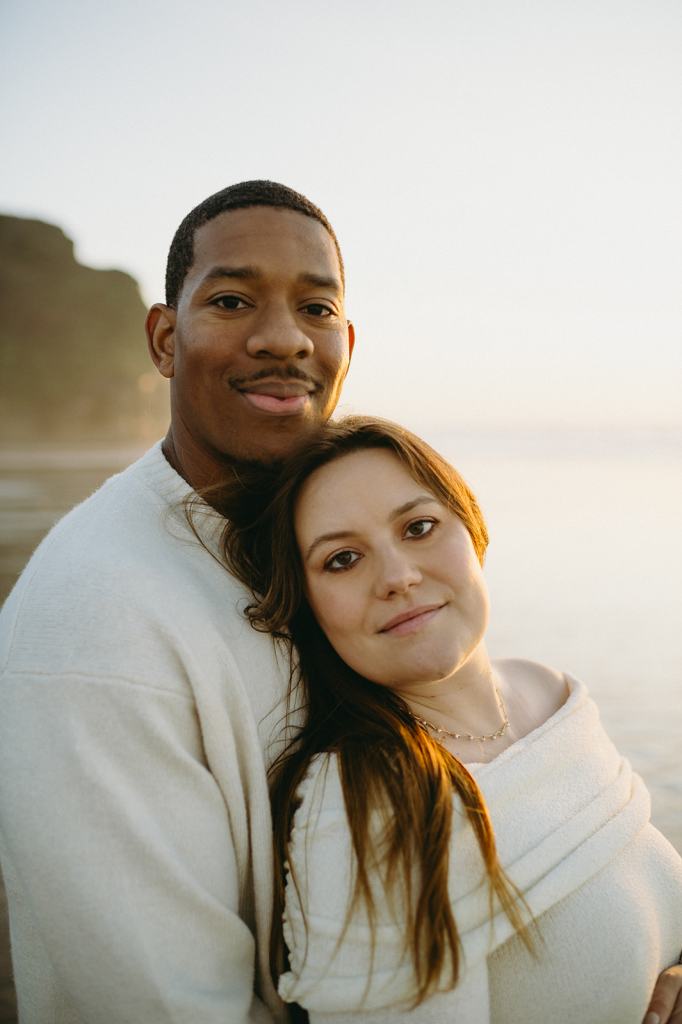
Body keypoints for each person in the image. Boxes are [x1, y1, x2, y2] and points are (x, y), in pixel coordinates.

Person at [0, 180, 354, 1023]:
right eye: (232, 300)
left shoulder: (337, 550)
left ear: (348, 339)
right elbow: (169, 1003)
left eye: (316, 307)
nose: (283, 339)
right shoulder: (94, 624)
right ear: (165, 338)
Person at [219, 415, 682, 1024]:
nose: (398, 577)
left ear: (473, 528)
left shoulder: (549, 693)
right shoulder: (362, 805)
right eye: (342, 559)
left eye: (418, 527)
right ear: (306, 607)